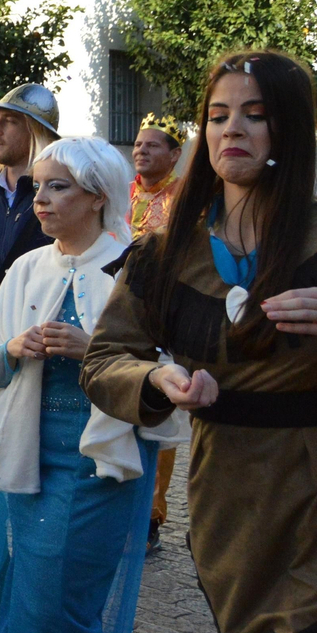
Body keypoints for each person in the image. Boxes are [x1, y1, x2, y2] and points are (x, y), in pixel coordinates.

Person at [83, 50, 317, 633]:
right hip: (230, 505)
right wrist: (156, 381)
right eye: (219, 116)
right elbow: (106, 359)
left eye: (256, 114)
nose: (233, 130)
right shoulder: (165, 254)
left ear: (289, 128)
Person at [0, 137, 186, 633]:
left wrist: (92, 350)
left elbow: (170, 368)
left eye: (58, 187)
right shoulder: (27, 267)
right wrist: (13, 349)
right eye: (38, 188)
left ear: (98, 196)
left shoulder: (139, 269)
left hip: (101, 460)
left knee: (58, 608)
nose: (41, 200)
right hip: (28, 457)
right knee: (31, 602)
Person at [129, 111, 190, 553]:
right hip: (119, 312)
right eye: (138, 144)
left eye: (152, 145)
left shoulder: (187, 197)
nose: (141, 151)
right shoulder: (119, 192)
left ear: (174, 154)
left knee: (162, 413)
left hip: (167, 317)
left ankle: (152, 513)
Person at [0, 84, 60, 334]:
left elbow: (70, 269)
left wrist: (6, 280)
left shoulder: (59, 195)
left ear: (36, 132)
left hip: (40, 333)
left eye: (9, 121)